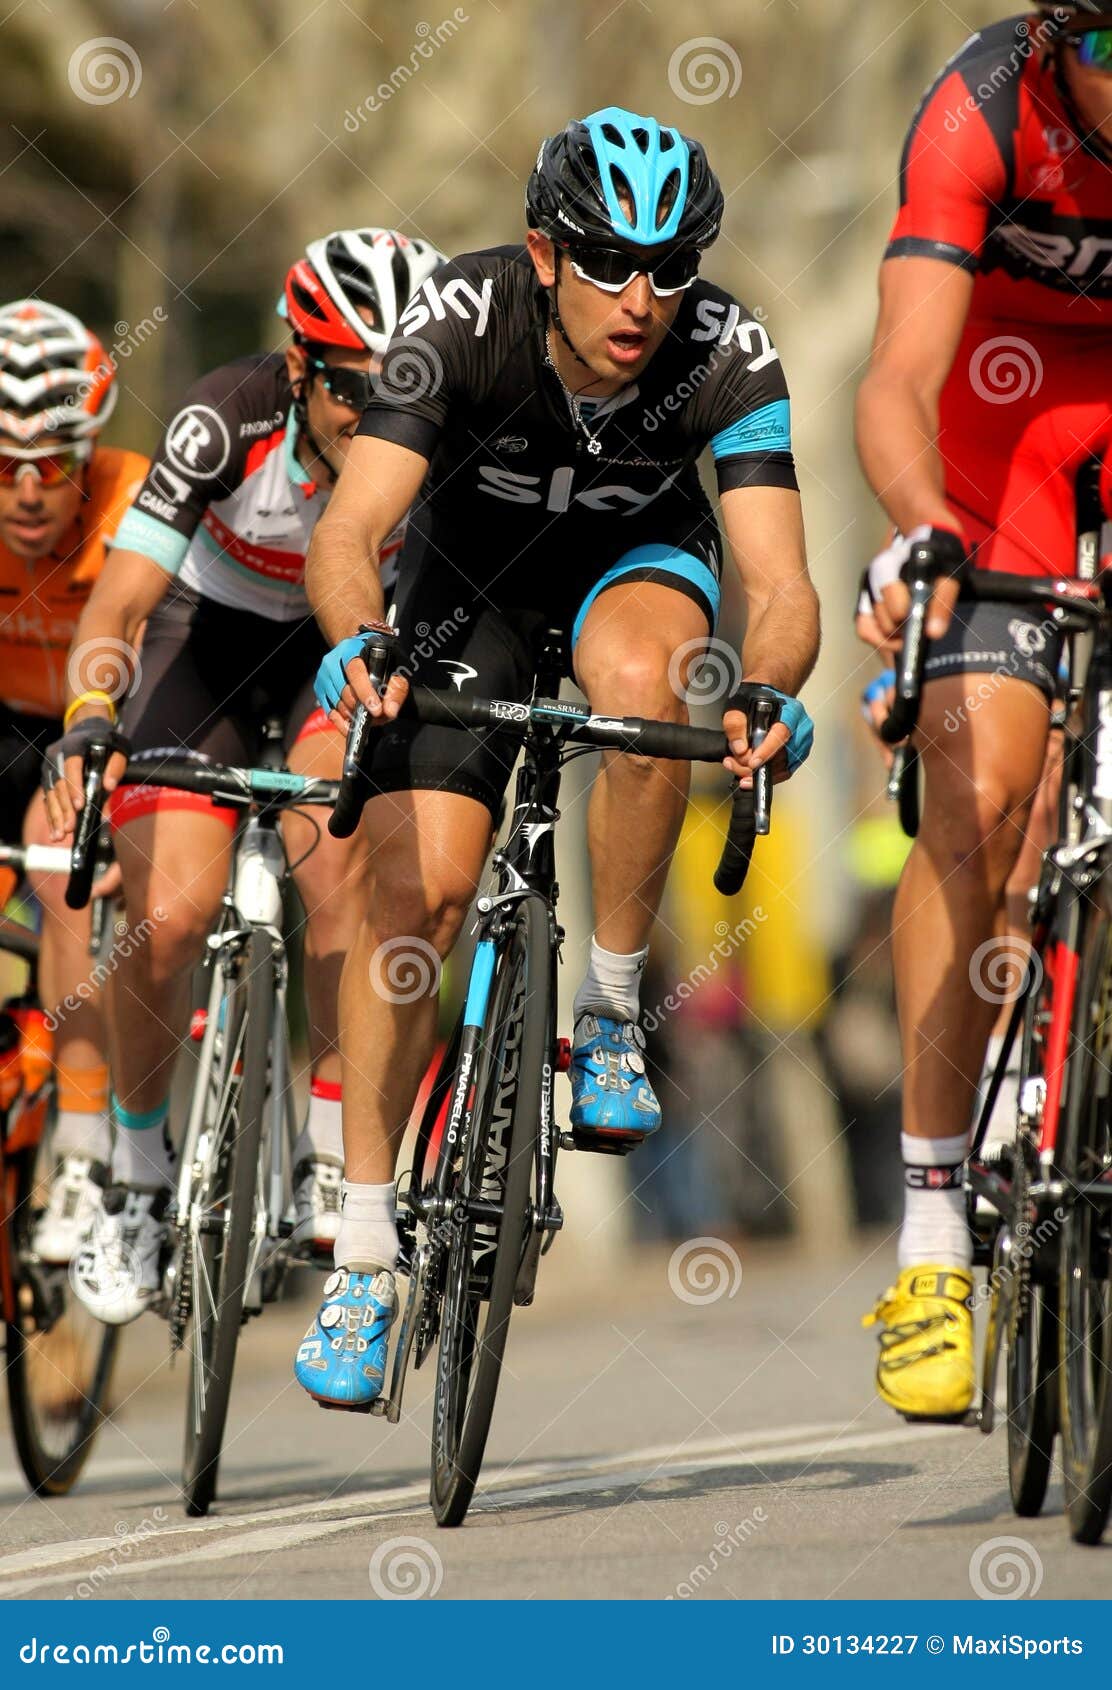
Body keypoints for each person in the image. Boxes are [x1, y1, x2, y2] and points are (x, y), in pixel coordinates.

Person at [294, 107, 820, 1409]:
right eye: (606, 262)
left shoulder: (724, 347)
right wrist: (357, 641)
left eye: (671, 264)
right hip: (467, 589)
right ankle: (362, 1252)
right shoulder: (458, 319)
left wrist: (770, 685)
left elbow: (780, 577)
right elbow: (353, 525)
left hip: (636, 573)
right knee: (417, 898)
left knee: (650, 691)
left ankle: (609, 1006)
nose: (641, 298)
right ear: (544, 253)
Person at [43, 230, 447, 1323]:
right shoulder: (224, 415)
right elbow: (120, 605)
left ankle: (326, 1144)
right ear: (301, 366)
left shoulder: (434, 434)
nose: (380, 412)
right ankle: (134, 1172)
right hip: (206, 646)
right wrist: (89, 715)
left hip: (335, 654)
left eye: (403, 384)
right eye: (358, 386)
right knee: (166, 919)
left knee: (338, 873)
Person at [856, 3, 1112, 1419]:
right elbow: (895, 372)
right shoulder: (984, 109)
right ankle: (937, 1222)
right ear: (1067, 43)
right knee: (982, 796)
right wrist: (916, 530)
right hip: (994, 415)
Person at [0, 298, 147, 1264]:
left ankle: (81, 1139)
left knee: (64, 852)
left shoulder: (133, 502)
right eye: (1, 466)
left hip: (92, 727)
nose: (24, 493)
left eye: (50, 466)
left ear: (87, 457)